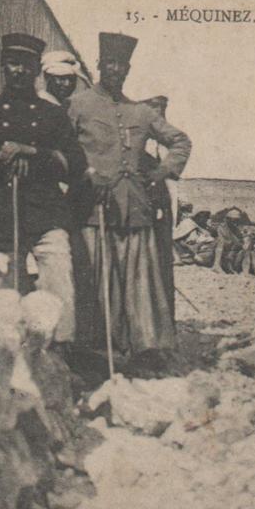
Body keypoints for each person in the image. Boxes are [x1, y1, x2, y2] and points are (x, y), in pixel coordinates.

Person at [0, 33, 87, 351]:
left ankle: (60, 351)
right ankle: (4, 354)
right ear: (3, 66)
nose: (19, 71)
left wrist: (34, 153)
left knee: (58, 279)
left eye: (26, 65)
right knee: (2, 294)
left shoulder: (52, 115)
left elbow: (76, 164)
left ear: (36, 70)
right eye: (12, 63)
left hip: (45, 215)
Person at [67, 32, 192, 362]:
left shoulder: (141, 112)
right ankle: (94, 350)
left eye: (121, 65)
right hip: (92, 211)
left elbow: (180, 142)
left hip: (134, 209)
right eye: (110, 63)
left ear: (128, 69)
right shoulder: (78, 105)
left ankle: (143, 347)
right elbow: (63, 149)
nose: (115, 70)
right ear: (98, 65)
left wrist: (161, 173)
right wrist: (83, 178)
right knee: (95, 281)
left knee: (138, 283)